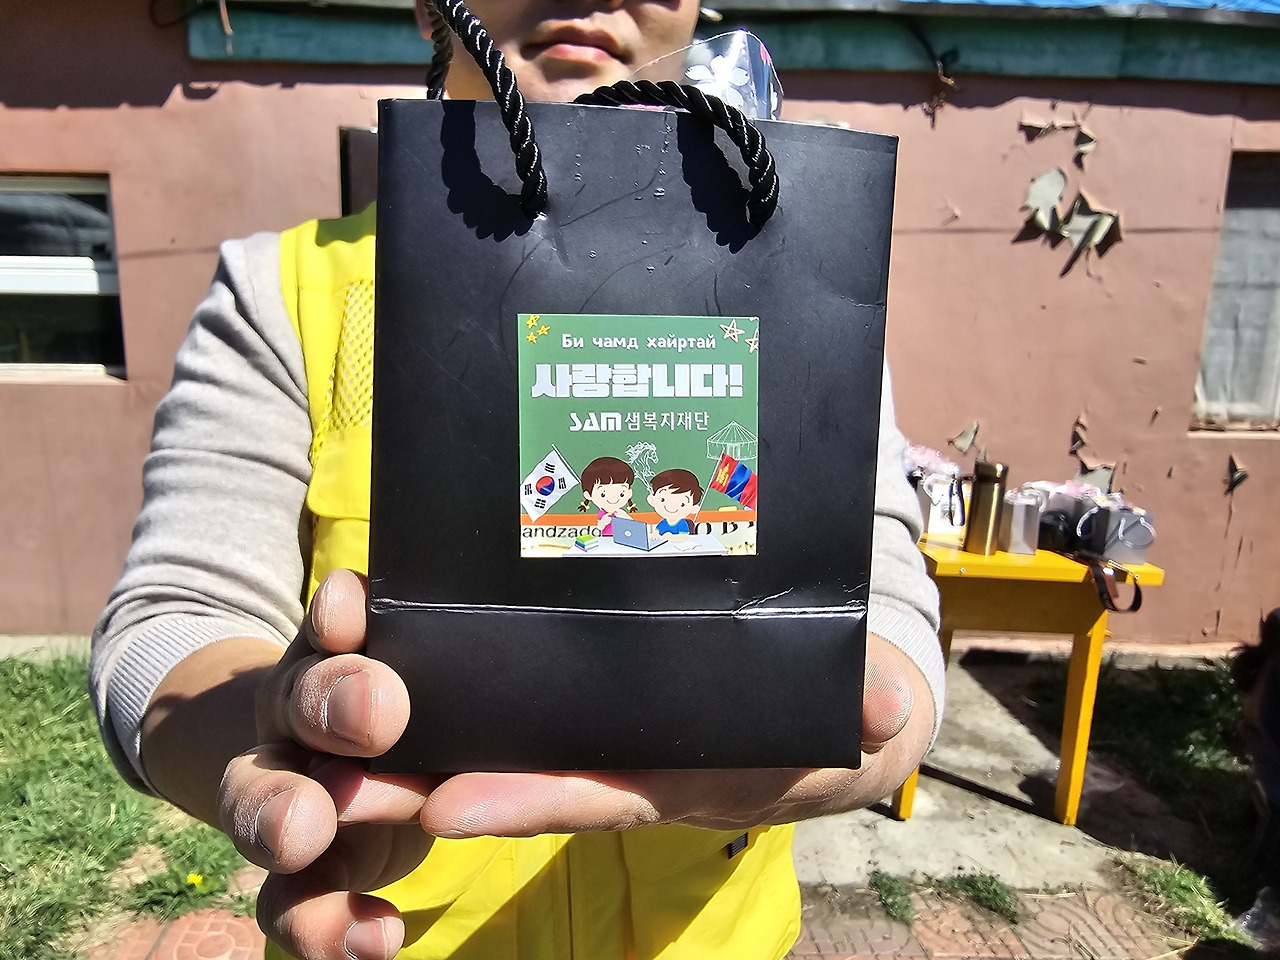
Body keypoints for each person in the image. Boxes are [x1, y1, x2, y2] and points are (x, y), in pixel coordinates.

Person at [90, 2, 945, 959]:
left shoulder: (787, 258)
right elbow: (173, 620)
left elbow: (888, 594)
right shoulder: (290, 289)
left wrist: (885, 726)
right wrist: (282, 753)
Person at [579, 455, 636, 536]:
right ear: (588, 495)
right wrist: (603, 522)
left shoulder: (620, 512)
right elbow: (600, 526)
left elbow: (631, 523)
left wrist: (625, 517)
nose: (613, 498)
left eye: (621, 494)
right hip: (607, 537)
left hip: (622, 537)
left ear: (629, 493)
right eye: (603, 494)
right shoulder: (603, 513)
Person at [646, 467, 702, 537]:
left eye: (682, 504)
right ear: (652, 500)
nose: (671, 506)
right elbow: (657, 532)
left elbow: (683, 537)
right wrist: (654, 535)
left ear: (693, 509)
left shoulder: (682, 524)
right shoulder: (663, 523)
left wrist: (671, 537)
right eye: (663, 500)